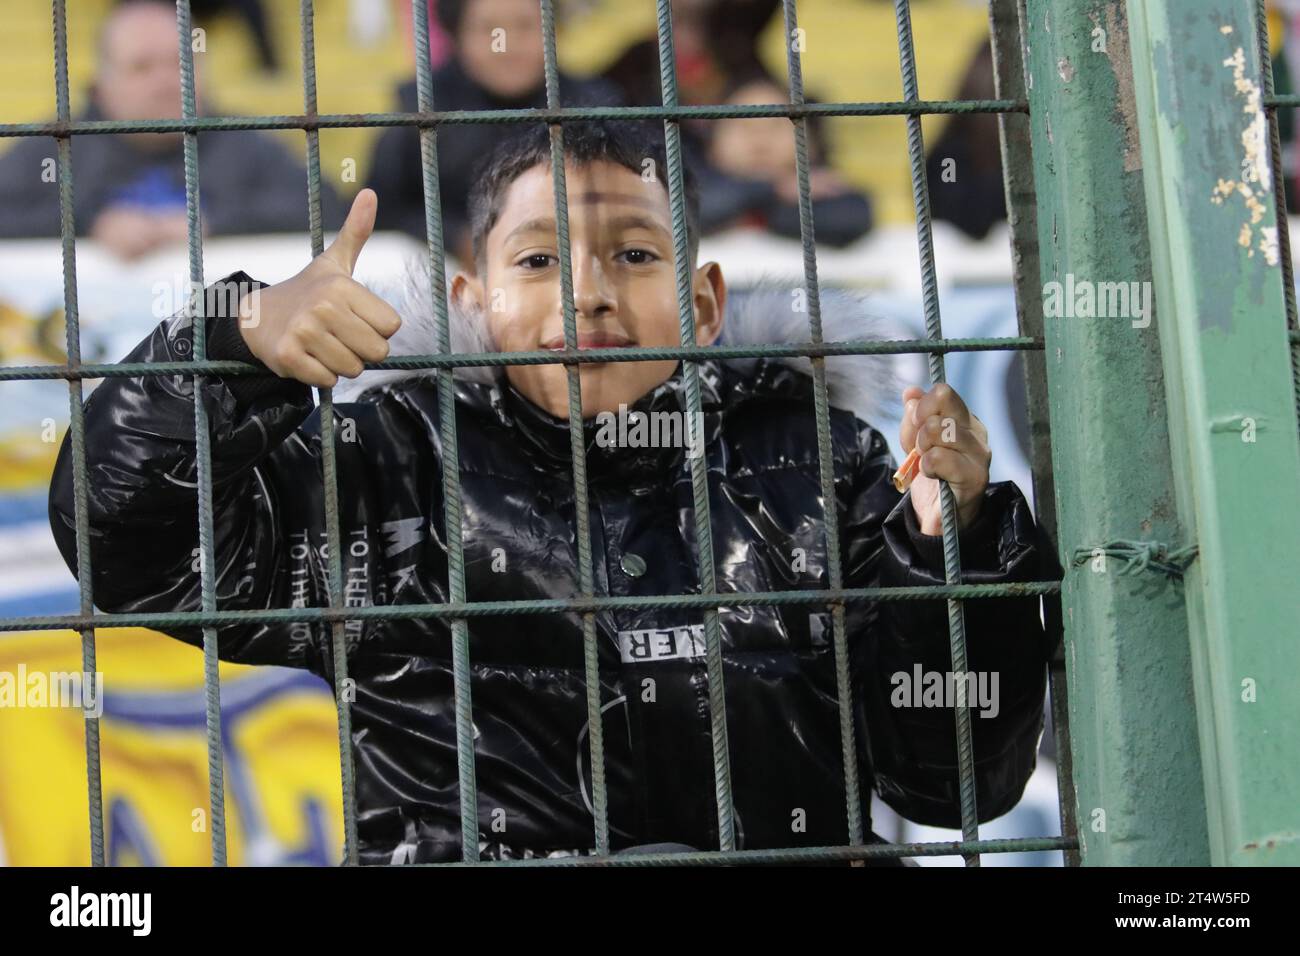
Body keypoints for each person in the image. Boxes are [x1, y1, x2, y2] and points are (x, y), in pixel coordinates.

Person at [49, 120, 1049, 864]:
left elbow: (960, 775)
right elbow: (127, 542)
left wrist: (947, 549)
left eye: (634, 253)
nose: (587, 289)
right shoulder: (385, 464)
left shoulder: (820, 461)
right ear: (471, 300)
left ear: (701, 303)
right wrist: (227, 344)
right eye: (536, 258)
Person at [0, 0, 342, 258]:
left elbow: (328, 206)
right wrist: (88, 224)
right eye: (142, 67)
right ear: (101, 84)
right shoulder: (53, 148)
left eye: (180, 63)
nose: (167, 82)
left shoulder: (243, 142)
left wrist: (214, 223)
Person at [365, 0, 622, 264]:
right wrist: (456, 238)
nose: (508, 46)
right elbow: (382, 209)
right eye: (488, 29)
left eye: (525, 26)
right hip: (446, 270)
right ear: (457, 36)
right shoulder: (421, 107)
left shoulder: (595, 104)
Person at [701, 70, 873, 246]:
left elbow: (851, 220)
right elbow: (698, 213)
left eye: (776, 126)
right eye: (744, 126)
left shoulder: (825, 187)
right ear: (712, 142)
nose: (760, 142)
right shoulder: (693, 186)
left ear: (810, 141)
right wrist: (774, 189)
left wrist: (757, 207)